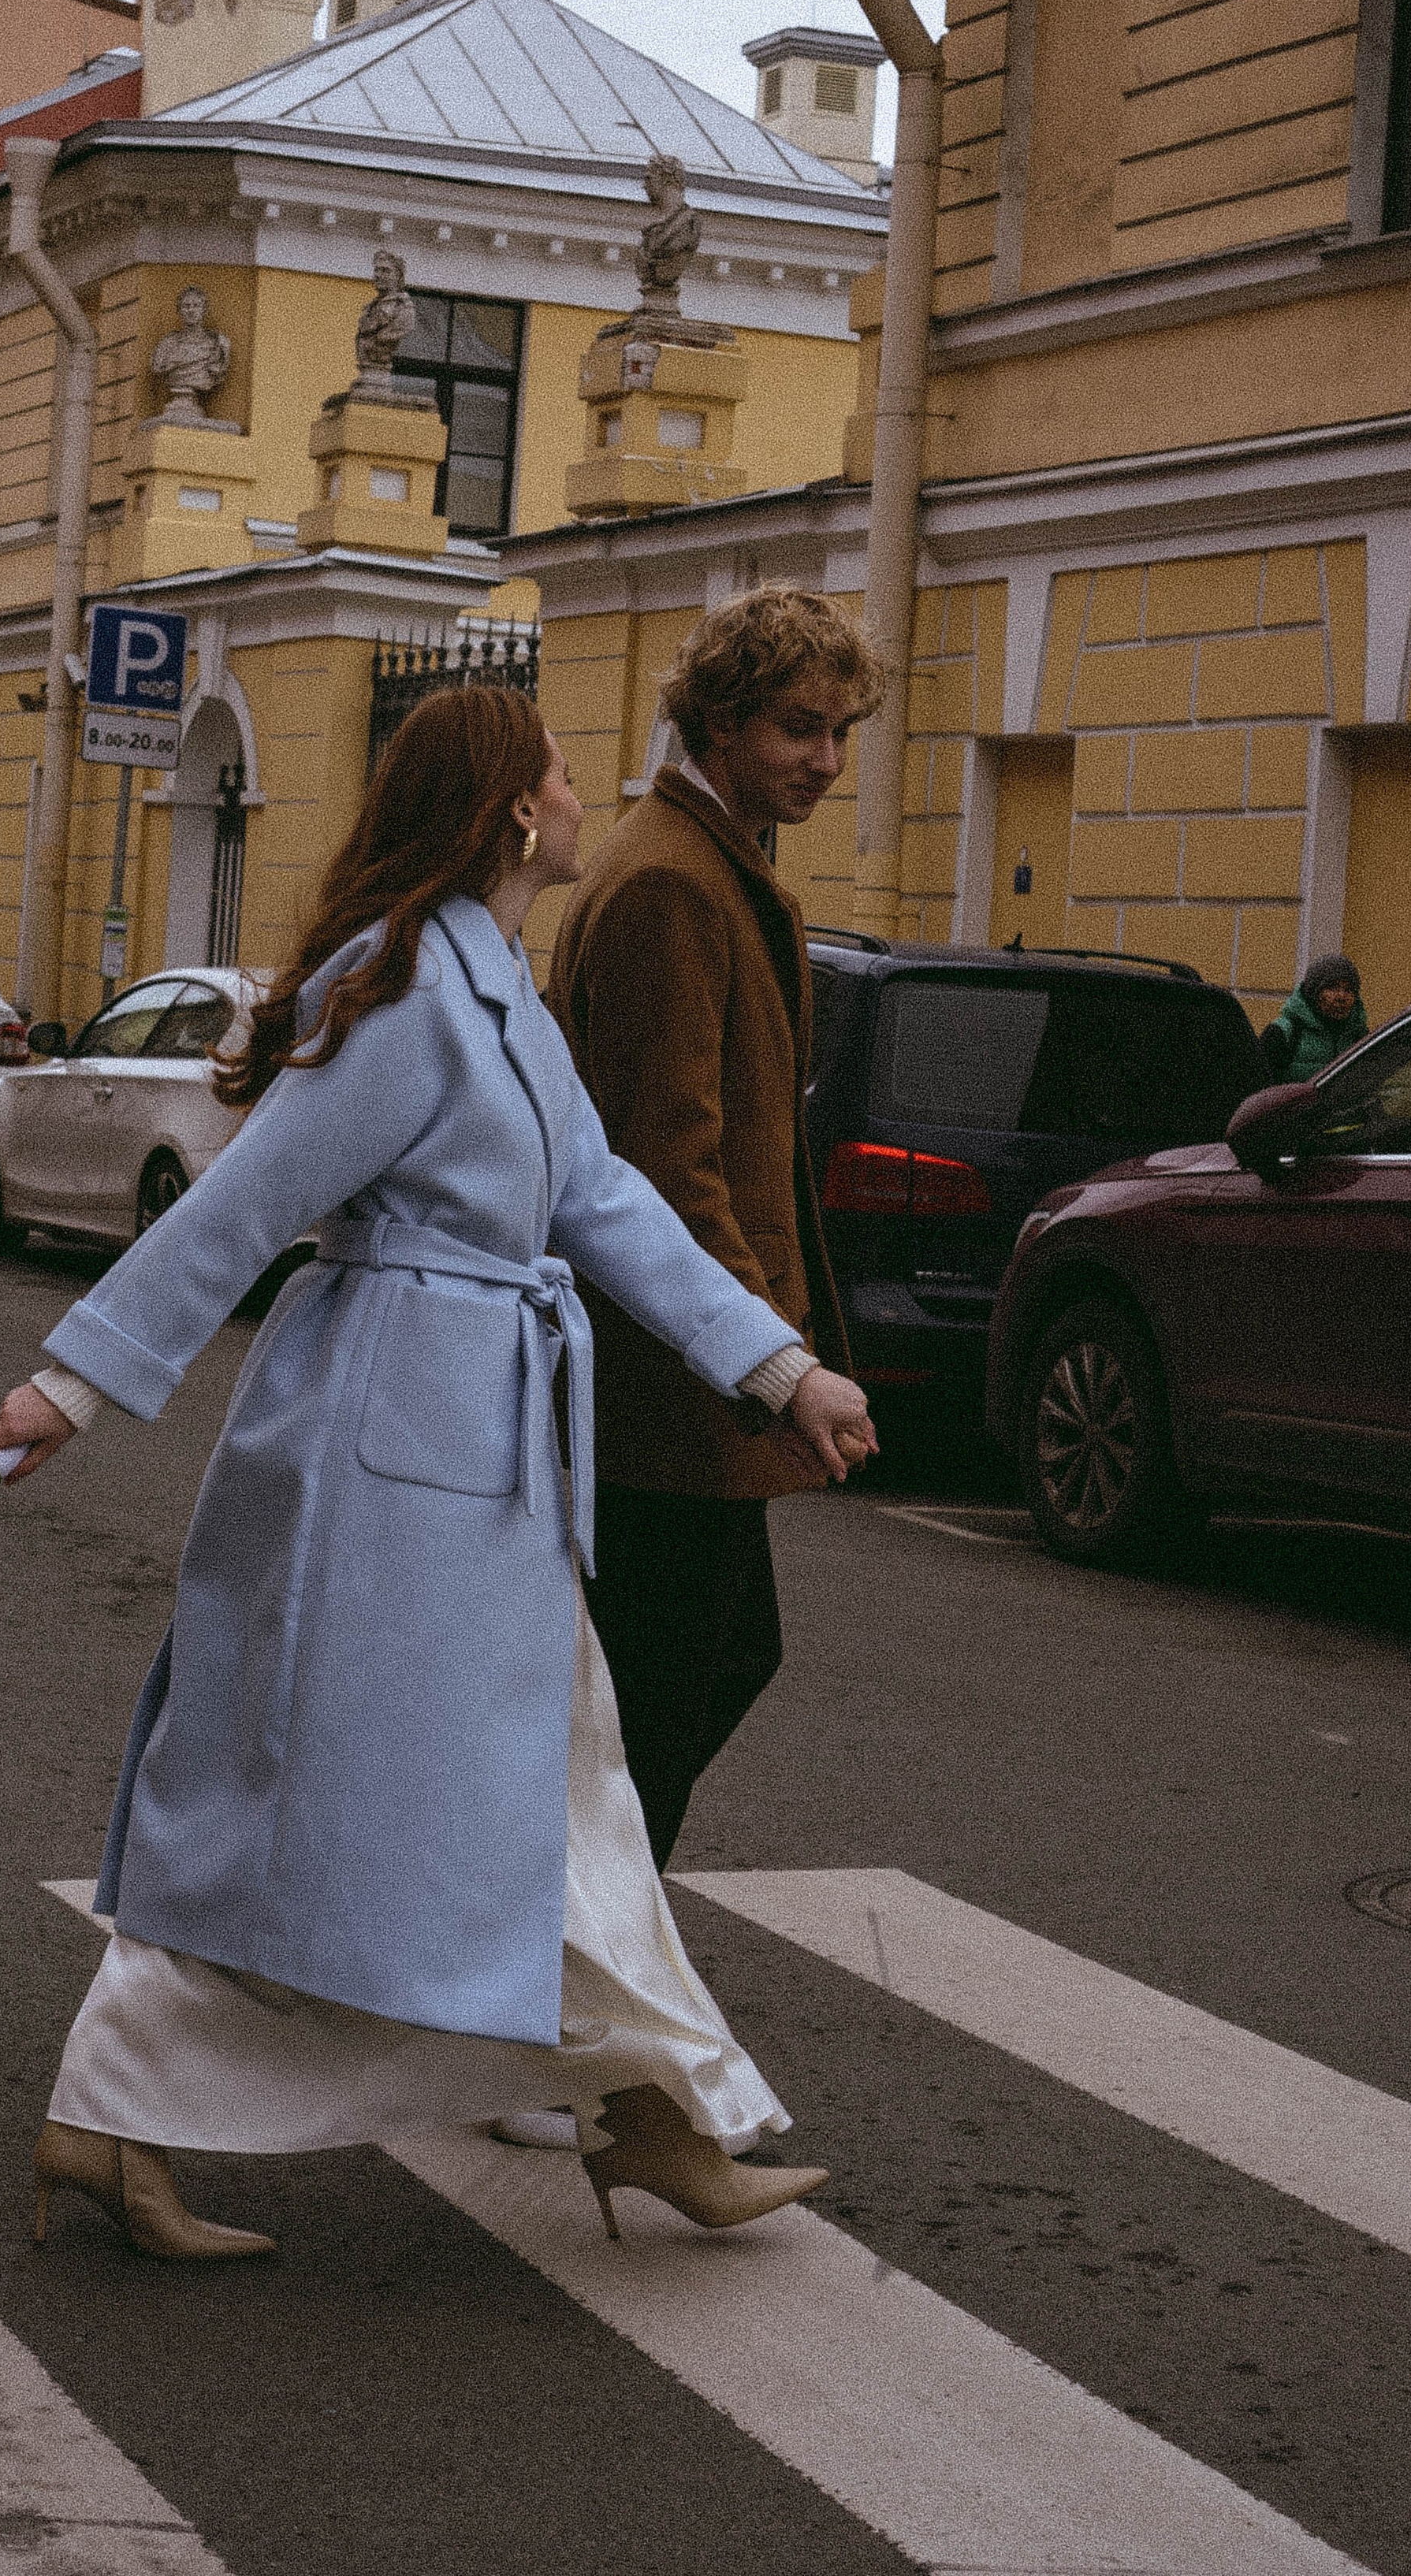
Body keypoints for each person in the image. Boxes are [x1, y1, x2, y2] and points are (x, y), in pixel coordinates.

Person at [0, 687, 875, 2262]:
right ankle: (111, 2113)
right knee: (303, 1799)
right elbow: (245, 1204)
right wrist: (74, 1383)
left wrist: (775, 1366)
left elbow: (603, 1201)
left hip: (484, 1455)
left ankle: (654, 2114)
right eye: (565, 773)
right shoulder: (405, 996)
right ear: (515, 809)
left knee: (562, 1793)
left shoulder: (495, 982)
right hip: (381, 1459)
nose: (586, 795)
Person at [549, 585, 886, 1873]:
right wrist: (769, 1365)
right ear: (723, 721)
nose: (828, 760)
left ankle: (576, 1944)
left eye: (841, 731)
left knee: (694, 1674)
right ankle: (574, 1955)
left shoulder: (707, 864)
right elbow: (666, 1171)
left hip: (688, 1375)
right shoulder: (671, 886)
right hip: (668, 1389)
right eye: (801, 727)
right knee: (657, 1701)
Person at [1259, 954, 1368, 1081]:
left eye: (1348, 990)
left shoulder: (1361, 1037)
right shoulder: (1282, 1034)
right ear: (1314, 993)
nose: (1341, 997)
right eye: (1332, 988)